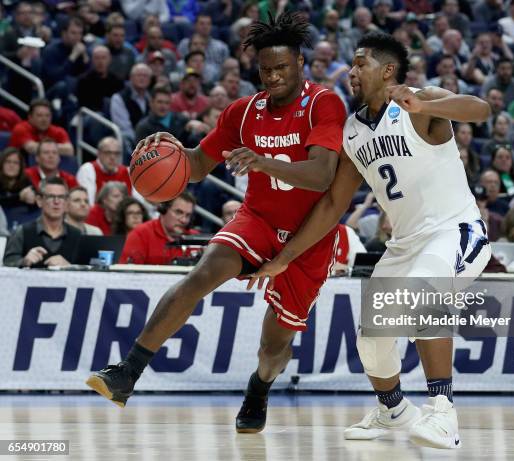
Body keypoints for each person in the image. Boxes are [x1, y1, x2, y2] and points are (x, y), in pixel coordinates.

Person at [86, 12, 346, 437]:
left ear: (301, 63)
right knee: (202, 273)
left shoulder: (323, 103)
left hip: (310, 237)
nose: (273, 76)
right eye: (265, 70)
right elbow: (195, 166)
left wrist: (260, 160)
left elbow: (321, 174)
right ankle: (126, 373)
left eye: (282, 68)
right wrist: (166, 151)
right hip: (258, 220)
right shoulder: (243, 112)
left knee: (273, 347)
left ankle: (259, 387)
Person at [248, 32, 492, 449]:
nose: (352, 71)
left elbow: (481, 109)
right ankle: (394, 410)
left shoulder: (420, 101)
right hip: (404, 244)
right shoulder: (352, 131)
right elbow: (332, 206)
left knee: (424, 292)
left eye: (360, 63)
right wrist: (285, 258)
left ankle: (443, 414)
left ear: (388, 70)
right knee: (372, 335)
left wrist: (427, 105)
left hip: (454, 230)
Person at [3, 177, 81, 267]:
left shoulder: (76, 235)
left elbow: (85, 269)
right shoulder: (23, 231)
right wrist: (24, 261)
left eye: (61, 197)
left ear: (67, 202)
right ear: (39, 201)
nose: (56, 201)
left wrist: (69, 267)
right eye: (51, 196)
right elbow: (7, 263)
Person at [119, 192, 197, 263]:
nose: (184, 220)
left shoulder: (197, 239)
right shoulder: (140, 235)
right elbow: (126, 274)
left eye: (188, 215)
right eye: (178, 212)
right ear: (163, 210)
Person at [76, 137, 131, 205]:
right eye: (108, 152)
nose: (112, 157)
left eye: (116, 153)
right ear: (99, 153)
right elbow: (89, 203)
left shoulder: (128, 172)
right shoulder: (88, 169)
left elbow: (140, 203)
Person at [9, 99, 74, 156]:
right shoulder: (21, 128)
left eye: (47, 115)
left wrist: (42, 147)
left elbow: (70, 150)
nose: (44, 119)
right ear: (30, 117)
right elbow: (31, 148)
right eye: (39, 115)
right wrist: (56, 148)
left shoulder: (58, 131)